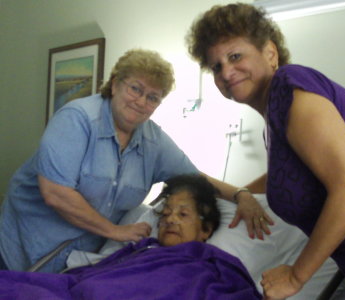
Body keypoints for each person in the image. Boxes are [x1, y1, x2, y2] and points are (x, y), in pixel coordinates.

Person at [186, 3, 345, 300]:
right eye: (216, 66)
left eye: (235, 56)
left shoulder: (289, 86)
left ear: (270, 53)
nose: (226, 71)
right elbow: (292, 175)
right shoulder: (274, 123)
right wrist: (239, 195)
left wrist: (296, 276)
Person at [0, 48, 271, 274]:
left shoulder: (153, 142)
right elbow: (55, 193)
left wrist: (240, 194)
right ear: (115, 84)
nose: (141, 102)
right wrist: (115, 231)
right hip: (20, 245)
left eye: (153, 97)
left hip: (74, 262)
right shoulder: (78, 119)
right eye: (136, 89)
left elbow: (194, 178)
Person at [0, 174, 263, 300]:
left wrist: (243, 195)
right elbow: (86, 277)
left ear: (206, 230)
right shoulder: (140, 250)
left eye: (183, 215)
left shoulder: (212, 264)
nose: (170, 219)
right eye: (166, 213)